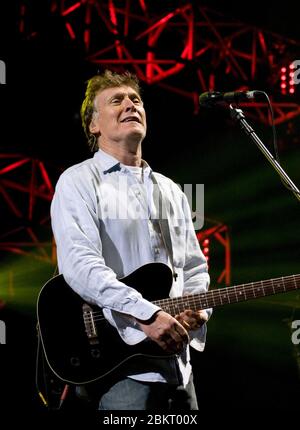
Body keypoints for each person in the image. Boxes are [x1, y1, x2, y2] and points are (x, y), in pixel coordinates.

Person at [50, 69, 211, 411]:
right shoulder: (78, 181)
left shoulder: (172, 190)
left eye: (136, 99)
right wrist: (147, 315)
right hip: (120, 369)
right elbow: (80, 266)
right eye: (116, 100)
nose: (130, 105)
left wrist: (199, 310)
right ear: (94, 125)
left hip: (179, 372)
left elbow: (195, 267)